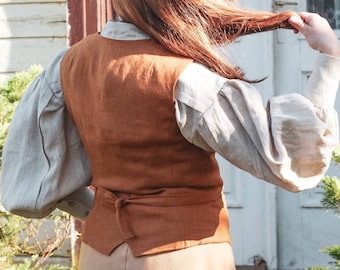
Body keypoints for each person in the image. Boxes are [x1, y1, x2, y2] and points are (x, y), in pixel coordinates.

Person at [1, 0, 340, 269]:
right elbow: (287, 155)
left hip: (98, 254)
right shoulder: (187, 79)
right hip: (183, 255)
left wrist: (100, 213)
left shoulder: (67, 65)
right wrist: (329, 58)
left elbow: (28, 180)